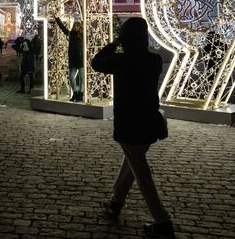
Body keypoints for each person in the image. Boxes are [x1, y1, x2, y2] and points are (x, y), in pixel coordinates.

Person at [90, 17, 174, 238]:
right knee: (131, 163)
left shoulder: (122, 60)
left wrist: (114, 43)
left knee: (141, 171)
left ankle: (162, 221)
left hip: (130, 122)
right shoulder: (154, 60)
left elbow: (96, 62)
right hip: (148, 121)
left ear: (125, 38)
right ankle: (115, 202)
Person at [55, 16, 84, 102]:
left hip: (81, 58)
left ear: (80, 27)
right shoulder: (70, 34)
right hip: (73, 59)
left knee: (82, 77)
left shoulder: (83, 34)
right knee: (71, 77)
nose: (75, 27)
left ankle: (80, 94)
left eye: (77, 26)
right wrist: (57, 18)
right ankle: (75, 93)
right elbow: (62, 27)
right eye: (74, 26)